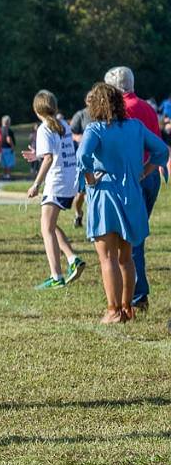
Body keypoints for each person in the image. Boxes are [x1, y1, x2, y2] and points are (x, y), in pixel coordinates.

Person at [77, 82, 167, 323]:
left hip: (105, 196)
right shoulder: (136, 127)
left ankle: (112, 310)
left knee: (107, 258)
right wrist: (145, 172)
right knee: (126, 258)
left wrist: (89, 179)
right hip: (132, 195)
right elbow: (162, 151)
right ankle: (128, 308)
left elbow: (82, 157)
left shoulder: (95, 129)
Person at [105, 66, 163, 312]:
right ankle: (137, 293)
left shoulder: (123, 111)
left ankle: (137, 296)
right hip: (150, 176)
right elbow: (159, 144)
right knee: (135, 237)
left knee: (130, 240)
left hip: (134, 177)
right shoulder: (147, 107)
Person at [26, 91, 85, 290]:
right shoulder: (63, 124)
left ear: (37, 110)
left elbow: (50, 159)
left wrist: (36, 184)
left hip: (56, 182)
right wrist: (37, 155)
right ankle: (72, 259)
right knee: (49, 225)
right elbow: (55, 152)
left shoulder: (44, 128)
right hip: (69, 180)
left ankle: (56, 276)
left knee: (46, 228)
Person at [69, 99, 95, 228]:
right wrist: (78, 137)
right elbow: (70, 132)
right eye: (90, 100)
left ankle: (93, 224)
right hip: (84, 158)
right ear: (86, 101)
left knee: (94, 193)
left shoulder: (102, 114)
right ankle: (79, 214)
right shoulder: (81, 115)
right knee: (80, 194)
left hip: (98, 159)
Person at [0, 116, 16, 181]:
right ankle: (8, 176)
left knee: (4, 163)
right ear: (8, 122)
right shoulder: (8, 130)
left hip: (2, 148)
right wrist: (12, 147)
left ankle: (5, 175)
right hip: (8, 148)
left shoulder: (0, 129)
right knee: (9, 163)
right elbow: (8, 139)